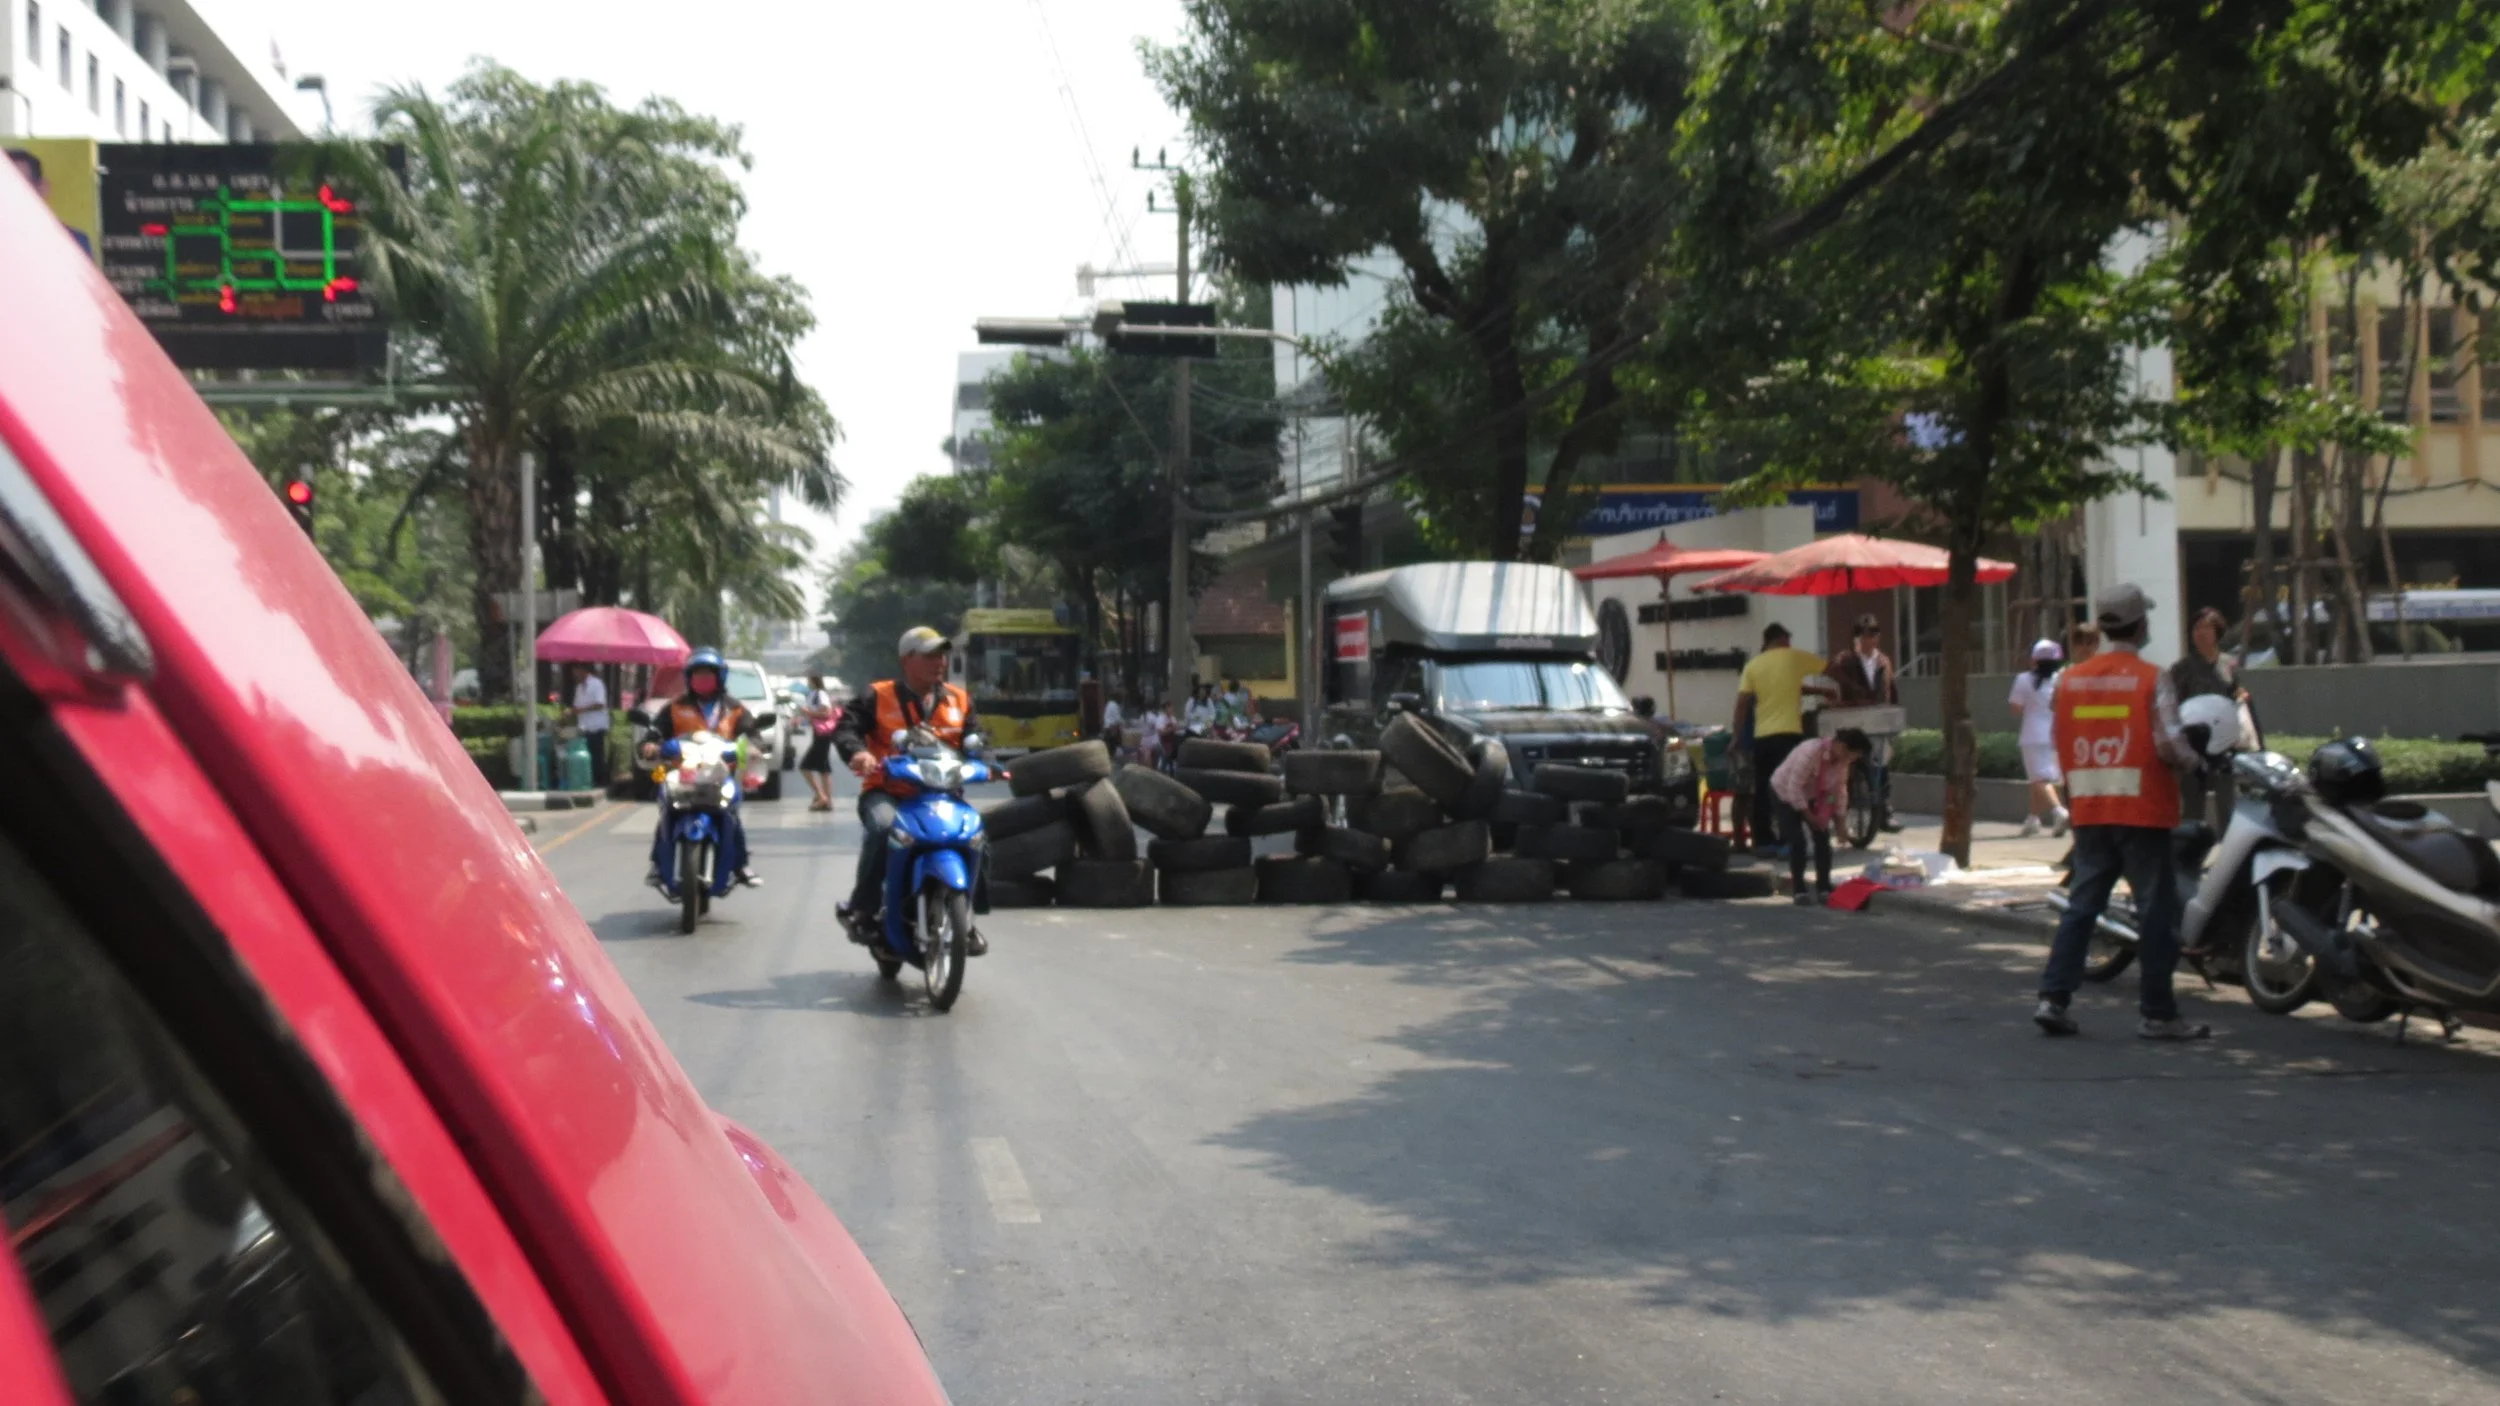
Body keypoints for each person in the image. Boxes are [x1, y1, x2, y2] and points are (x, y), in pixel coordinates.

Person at [2033, 584, 2210, 1041]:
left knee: (2082, 907)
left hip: (2090, 809)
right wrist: (2198, 762)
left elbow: (2061, 737)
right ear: (2141, 625)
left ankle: (2053, 999)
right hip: (2142, 811)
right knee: (2156, 913)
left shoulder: (2069, 680)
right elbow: (2170, 742)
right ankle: (2158, 1013)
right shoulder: (2152, 678)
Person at [833, 627, 985, 953]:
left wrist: (986, 763)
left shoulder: (959, 699)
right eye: (930, 655)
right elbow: (847, 728)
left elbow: (975, 742)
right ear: (907, 660)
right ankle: (863, 909)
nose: (939, 662)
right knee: (883, 828)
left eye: (942, 655)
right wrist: (858, 753)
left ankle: (968, 919)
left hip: (941, 794)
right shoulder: (877, 695)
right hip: (887, 791)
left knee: (976, 832)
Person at [639, 647, 759, 889]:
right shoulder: (674, 707)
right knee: (667, 812)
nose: (702, 680)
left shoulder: (735, 709)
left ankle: (741, 863)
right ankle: (657, 864)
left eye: (708, 674)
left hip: (719, 776)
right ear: (689, 678)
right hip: (684, 775)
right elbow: (654, 733)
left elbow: (752, 735)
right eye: (697, 674)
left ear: (720, 677)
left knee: (731, 814)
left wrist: (752, 747)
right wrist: (651, 745)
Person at [1733, 621, 1836, 854]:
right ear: (1779, 640)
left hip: (1763, 738)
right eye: (1787, 642)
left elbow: (1741, 705)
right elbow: (1830, 668)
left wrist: (1736, 737)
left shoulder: (1753, 666)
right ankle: (1790, 839)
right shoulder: (1794, 657)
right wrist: (1848, 685)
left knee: (1763, 789)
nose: (1789, 646)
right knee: (1791, 788)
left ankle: (1764, 841)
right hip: (1789, 735)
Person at [1771, 727, 1872, 906]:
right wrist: (1809, 816)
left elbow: (1840, 791)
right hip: (1785, 792)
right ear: (1841, 747)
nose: (1852, 760)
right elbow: (1794, 787)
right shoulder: (1811, 752)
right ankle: (1799, 889)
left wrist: (1840, 824)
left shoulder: (1842, 762)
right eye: (1852, 755)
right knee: (1798, 841)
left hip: (1813, 796)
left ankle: (1824, 886)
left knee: (1823, 838)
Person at [2170, 607, 2247, 827]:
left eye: (2206, 628)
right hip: (2193, 748)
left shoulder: (2228, 664)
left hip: (2224, 746)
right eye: (2196, 628)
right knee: (2193, 807)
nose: (2200, 633)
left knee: (2228, 804)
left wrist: (2241, 697)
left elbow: (2236, 693)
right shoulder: (2182, 669)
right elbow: (2172, 703)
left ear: (2217, 632)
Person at [1826, 613, 1901, 832]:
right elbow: (1834, 673)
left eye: (1874, 634)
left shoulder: (1883, 661)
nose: (1871, 639)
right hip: (1852, 720)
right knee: (1844, 765)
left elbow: (1892, 690)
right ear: (1857, 637)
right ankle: (1839, 810)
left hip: (1877, 719)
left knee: (1882, 762)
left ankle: (1885, 810)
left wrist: (1893, 713)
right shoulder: (1846, 659)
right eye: (1866, 635)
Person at [2008, 639, 2070, 837]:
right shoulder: (2063, 677)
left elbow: (2015, 708)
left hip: (2033, 734)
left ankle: (2058, 811)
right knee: (2041, 778)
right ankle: (2033, 819)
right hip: (2056, 733)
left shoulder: (2023, 679)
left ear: (2034, 659)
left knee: (2038, 779)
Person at [798, 672, 839, 811]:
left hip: (823, 735)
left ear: (813, 680)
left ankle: (821, 796)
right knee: (823, 768)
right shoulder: (814, 694)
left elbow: (827, 713)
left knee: (805, 767)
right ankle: (827, 800)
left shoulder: (820, 694)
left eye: (808, 679)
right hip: (819, 733)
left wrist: (808, 713)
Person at [565, 663, 610, 788]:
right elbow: (576, 706)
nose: (575, 676)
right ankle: (589, 780)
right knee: (587, 754)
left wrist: (581, 710)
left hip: (596, 726)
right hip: (584, 726)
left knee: (597, 755)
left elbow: (599, 704)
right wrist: (569, 713)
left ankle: (601, 781)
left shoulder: (597, 684)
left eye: (576, 672)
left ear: (583, 670)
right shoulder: (579, 688)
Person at [1137, 696, 1174, 771]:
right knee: (1164, 754)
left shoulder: (1141, 716)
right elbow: (1159, 729)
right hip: (1153, 741)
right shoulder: (1152, 717)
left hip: (1144, 741)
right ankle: (1161, 769)